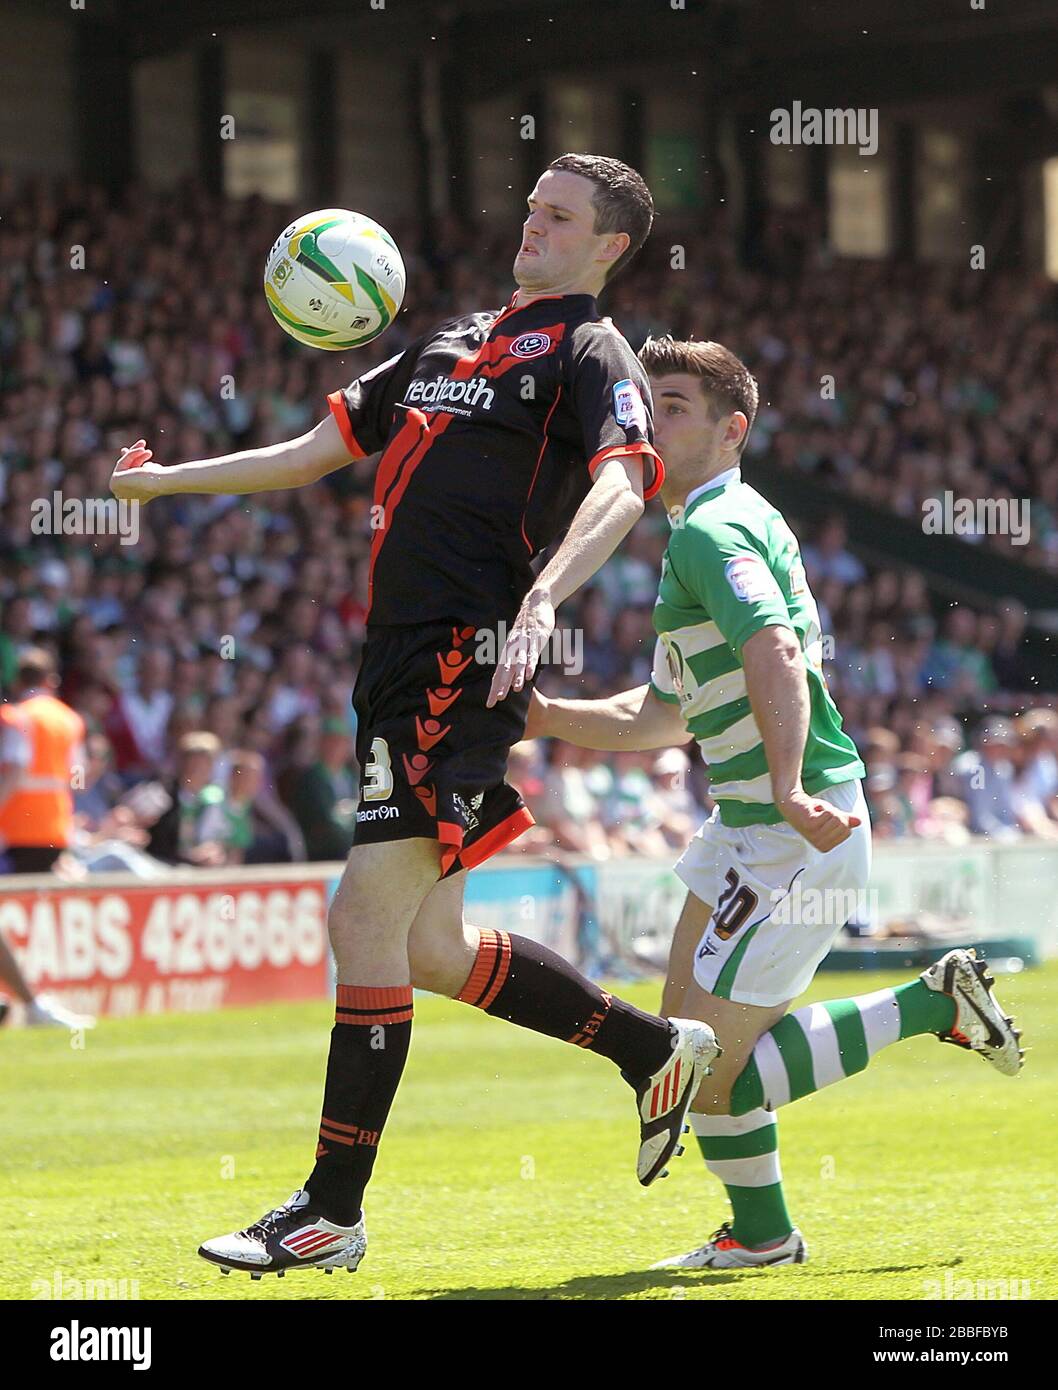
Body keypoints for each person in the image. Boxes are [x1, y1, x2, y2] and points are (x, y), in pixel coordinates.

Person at [110, 153, 718, 1279]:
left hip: (457, 658)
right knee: (430, 948)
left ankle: (330, 1209)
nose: (531, 226)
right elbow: (309, 452)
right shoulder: (449, 341)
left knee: (361, 923)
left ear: (607, 247)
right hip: (391, 663)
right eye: (531, 207)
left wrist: (545, 595)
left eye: (559, 218)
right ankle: (649, 1048)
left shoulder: (588, 352)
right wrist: (164, 481)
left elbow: (625, 480)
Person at [528, 337, 1023, 1270]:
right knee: (676, 1050)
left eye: (673, 406)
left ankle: (930, 1007)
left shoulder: (714, 529)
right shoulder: (712, 528)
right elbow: (666, 712)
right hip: (749, 826)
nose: (650, 421)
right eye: (647, 403)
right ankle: (759, 1235)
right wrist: (544, 713)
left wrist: (791, 787)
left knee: (702, 1072)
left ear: (733, 430)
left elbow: (776, 654)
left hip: (797, 829)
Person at [0, 648, 86, 875]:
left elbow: (16, 769)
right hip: (56, 827)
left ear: (18, 681)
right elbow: (78, 778)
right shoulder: (70, 720)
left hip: (17, 827)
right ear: (51, 682)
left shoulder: (18, 717)